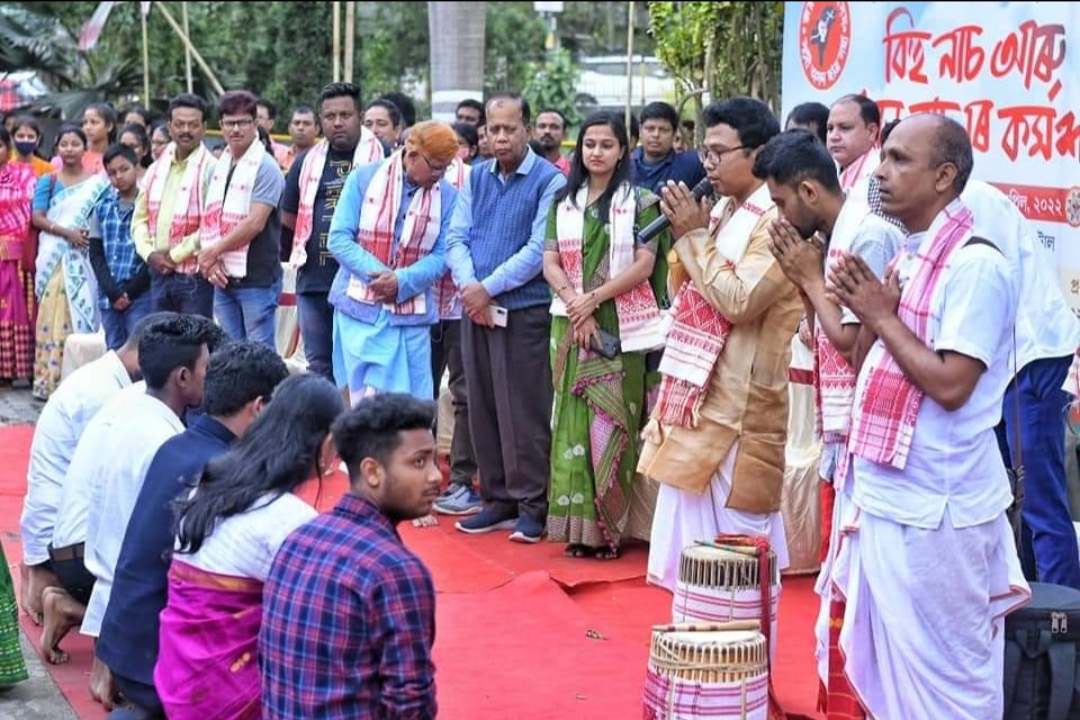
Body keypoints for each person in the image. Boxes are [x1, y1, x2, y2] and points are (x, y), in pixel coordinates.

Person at [828, 114, 1030, 718]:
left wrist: (880, 314)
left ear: (945, 177)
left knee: (953, 681)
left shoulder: (975, 265)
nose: (880, 174)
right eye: (882, 157)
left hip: (939, 508)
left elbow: (950, 385)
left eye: (897, 160)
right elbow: (866, 362)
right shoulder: (912, 256)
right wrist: (869, 312)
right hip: (890, 495)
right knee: (895, 677)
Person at [753, 128, 903, 718]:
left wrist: (809, 279)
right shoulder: (843, 232)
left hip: (874, 435)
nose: (781, 217)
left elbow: (858, 347)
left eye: (783, 202)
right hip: (848, 432)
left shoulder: (866, 235)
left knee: (862, 589)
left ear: (809, 190)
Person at [640, 97, 798, 591]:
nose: (706, 165)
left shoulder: (778, 220)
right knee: (692, 570)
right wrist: (689, 240)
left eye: (717, 153)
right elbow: (682, 296)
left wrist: (693, 238)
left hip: (743, 414)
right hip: (697, 405)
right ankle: (697, 664)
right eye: (704, 153)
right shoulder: (725, 210)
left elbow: (739, 300)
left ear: (758, 153)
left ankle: (744, 667)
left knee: (737, 568)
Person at [95, 341, 288, 720]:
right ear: (260, 408)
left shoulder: (178, 445)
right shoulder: (223, 470)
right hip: (158, 664)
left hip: (123, 645)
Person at [155, 374, 342, 720]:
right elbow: (318, 630)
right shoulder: (288, 518)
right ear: (327, 443)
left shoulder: (209, 487)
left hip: (178, 681)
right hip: (231, 699)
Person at [260, 393, 440, 719]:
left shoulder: (299, 539)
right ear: (372, 471)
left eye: (434, 460)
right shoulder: (396, 570)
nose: (436, 476)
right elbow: (412, 705)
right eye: (419, 462)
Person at [542, 111, 668, 560]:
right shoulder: (563, 201)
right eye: (589, 144)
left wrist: (591, 299)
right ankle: (576, 530)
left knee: (612, 423)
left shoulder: (644, 202)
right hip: (570, 320)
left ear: (623, 150)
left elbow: (643, 266)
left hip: (620, 324)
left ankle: (608, 529)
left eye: (606, 145)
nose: (596, 152)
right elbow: (550, 262)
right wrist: (577, 304)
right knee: (571, 422)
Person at [440, 92, 567, 538]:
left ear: (527, 130)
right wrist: (470, 286)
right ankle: (495, 498)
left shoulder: (549, 181)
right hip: (474, 309)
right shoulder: (475, 177)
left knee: (524, 410)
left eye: (509, 128)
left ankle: (533, 504)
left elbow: (538, 250)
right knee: (481, 405)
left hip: (523, 310)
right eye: (493, 129)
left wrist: (486, 287)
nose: (501, 137)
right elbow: (455, 237)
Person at [18, 312, 161, 627]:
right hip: (63, 544)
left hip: (55, 533)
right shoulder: (107, 395)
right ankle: (69, 601)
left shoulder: (102, 377)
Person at [327, 120, 458, 403]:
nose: (441, 174)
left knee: (413, 406)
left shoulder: (448, 196)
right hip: (358, 308)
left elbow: (444, 255)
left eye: (446, 167)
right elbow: (338, 238)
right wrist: (380, 277)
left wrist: (401, 282)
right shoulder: (363, 178)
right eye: (436, 166)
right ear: (412, 156)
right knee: (360, 404)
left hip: (411, 316)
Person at [282, 81, 384, 381]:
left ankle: (356, 429)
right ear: (320, 119)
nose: (337, 122)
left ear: (360, 115)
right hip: (314, 282)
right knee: (319, 369)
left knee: (360, 368)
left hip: (364, 285)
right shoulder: (305, 162)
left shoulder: (386, 160)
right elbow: (288, 218)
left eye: (345, 115)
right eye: (329, 116)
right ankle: (325, 430)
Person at [199, 90, 285, 346]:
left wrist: (213, 252)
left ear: (255, 124)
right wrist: (211, 260)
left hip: (256, 278)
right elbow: (209, 220)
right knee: (228, 353)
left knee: (259, 357)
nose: (236, 129)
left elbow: (255, 223)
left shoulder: (266, 167)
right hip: (222, 276)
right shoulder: (219, 166)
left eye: (243, 122)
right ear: (221, 126)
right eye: (229, 123)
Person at [30, 124, 109, 400]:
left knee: (83, 315)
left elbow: (101, 216)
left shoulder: (97, 183)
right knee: (53, 314)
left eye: (75, 144)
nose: (69, 149)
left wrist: (85, 234)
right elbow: (37, 217)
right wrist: (67, 233)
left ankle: (78, 381)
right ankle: (49, 381)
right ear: (56, 149)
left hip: (85, 256)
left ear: (84, 148)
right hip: (55, 256)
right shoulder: (48, 182)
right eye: (64, 144)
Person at [133, 94, 215, 319]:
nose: (185, 130)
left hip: (195, 277)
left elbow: (212, 226)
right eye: (179, 124)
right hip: (158, 272)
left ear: (204, 128)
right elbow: (139, 220)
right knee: (160, 343)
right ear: (169, 126)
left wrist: (175, 256)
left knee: (194, 346)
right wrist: (150, 254)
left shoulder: (212, 169)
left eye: (193, 124)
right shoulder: (155, 169)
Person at [88, 144, 151, 351]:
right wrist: (114, 293)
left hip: (140, 294)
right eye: (112, 173)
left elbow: (150, 256)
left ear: (136, 167)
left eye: (124, 169)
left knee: (139, 349)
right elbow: (96, 255)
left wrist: (129, 293)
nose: (119, 177)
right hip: (109, 295)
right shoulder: (101, 208)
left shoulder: (150, 207)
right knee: (114, 350)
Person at [0, 127, 38, 387]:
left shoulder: (25, 176)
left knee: (16, 311)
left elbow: (30, 210)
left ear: (7, 148)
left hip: (17, 255)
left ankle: (17, 368)